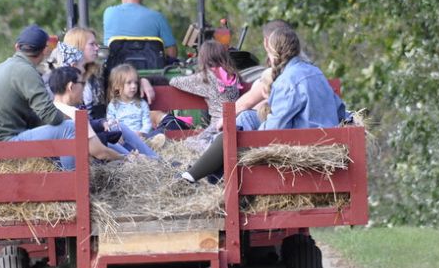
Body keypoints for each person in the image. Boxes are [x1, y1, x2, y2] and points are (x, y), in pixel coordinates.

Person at [180, 26, 349, 182]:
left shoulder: (287, 81)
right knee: (246, 118)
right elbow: (341, 111)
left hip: (303, 147)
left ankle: (195, 175)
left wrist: (252, 137)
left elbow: (274, 130)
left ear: (273, 51)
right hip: (319, 139)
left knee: (232, 139)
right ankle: (198, 172)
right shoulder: (314, 71)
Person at [0, 24, 77, 169]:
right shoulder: (26, 72)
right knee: (71, 128)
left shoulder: (3, 66)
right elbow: (52, 117)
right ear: (45, 50)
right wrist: (72, 118)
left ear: (17, 47)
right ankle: (73, 182)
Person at [168, 40, 244, 152]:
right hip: (237, 122)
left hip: (218, 126)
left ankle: (215, 152)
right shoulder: (233, 75)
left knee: (188, 143)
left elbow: (175, 81)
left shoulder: (207, 77)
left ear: (203, 58)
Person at [48, 66, 124, 162]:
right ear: (71, 86)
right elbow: (100, 152)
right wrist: (126, 158)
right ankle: (144, 158)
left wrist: (101, 123)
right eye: (83, 83)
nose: (84, 88)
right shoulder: (73, 113)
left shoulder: (49, 110)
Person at [102, 0, 178, 59]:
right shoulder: (158, 18)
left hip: (117, 70)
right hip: (152, 71)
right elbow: (172, 53)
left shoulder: (109, 13)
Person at [106, 64, 166, 150]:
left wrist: (142, 132)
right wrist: (118, 135)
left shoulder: (141, 104)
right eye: (129, 83)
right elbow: (111, 123)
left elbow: (147, 122)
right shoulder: (113, 105)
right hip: (123, 139)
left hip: (141, 137)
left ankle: (149, 145)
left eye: (135, 83)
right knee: (112, 142)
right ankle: (141, 149)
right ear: (117, 86)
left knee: (159, 132)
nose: (134, 86)